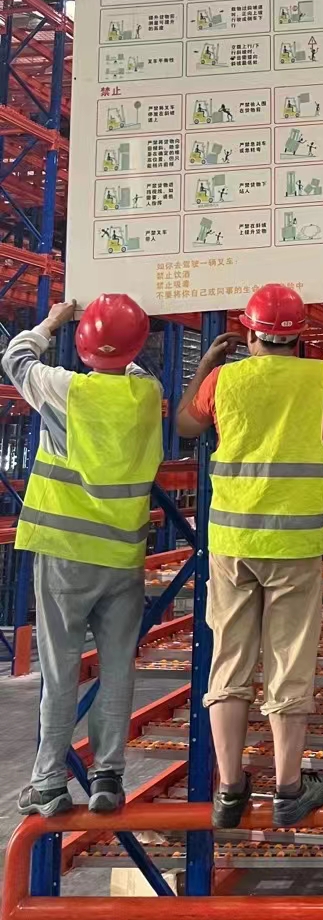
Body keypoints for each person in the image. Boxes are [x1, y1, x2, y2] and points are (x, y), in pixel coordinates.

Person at [175, 284, 323, 829]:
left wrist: (206, 364)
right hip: (295, 546)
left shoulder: (223, 380)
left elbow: (184, 425)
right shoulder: (320, 377)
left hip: (231, 544)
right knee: (289, 662)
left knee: (228, 662)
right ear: (299, 337)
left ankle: (229, 790)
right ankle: (289, 789)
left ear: (250, 333)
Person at [4, 295, 163, 817]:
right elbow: (132, 364)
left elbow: (15, 358)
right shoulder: (146, 393)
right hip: (122, 555)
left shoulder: (64, 389)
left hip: (65, 552)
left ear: (82, 344)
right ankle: (107, 777)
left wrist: (51, 322)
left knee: (60, 668)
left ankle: (49, 781)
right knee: (117, 667)